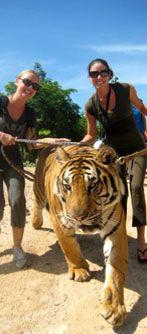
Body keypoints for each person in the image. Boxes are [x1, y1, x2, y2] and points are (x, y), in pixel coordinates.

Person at [0, 69, 69, 268]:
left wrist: (49, 141)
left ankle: (18, 247)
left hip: (13, 160)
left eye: (35, 86)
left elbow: (30, 143)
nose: (30, 88)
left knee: (18, 198)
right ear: (17, 81)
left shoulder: (29, 113)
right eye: (27, 82)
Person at [81, 58, 147, 262]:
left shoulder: (126, 89)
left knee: (136, 188)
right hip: (114, 154)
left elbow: (143, 110)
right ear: (90, 78)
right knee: (119, 194)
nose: (99, 77)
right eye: (94, 74)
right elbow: (91, 135)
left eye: (103, 72)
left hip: (137, 149)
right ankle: (118, 239)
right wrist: (75, 144)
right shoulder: (90, 105)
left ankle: (142, 242)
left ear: (110, 74)